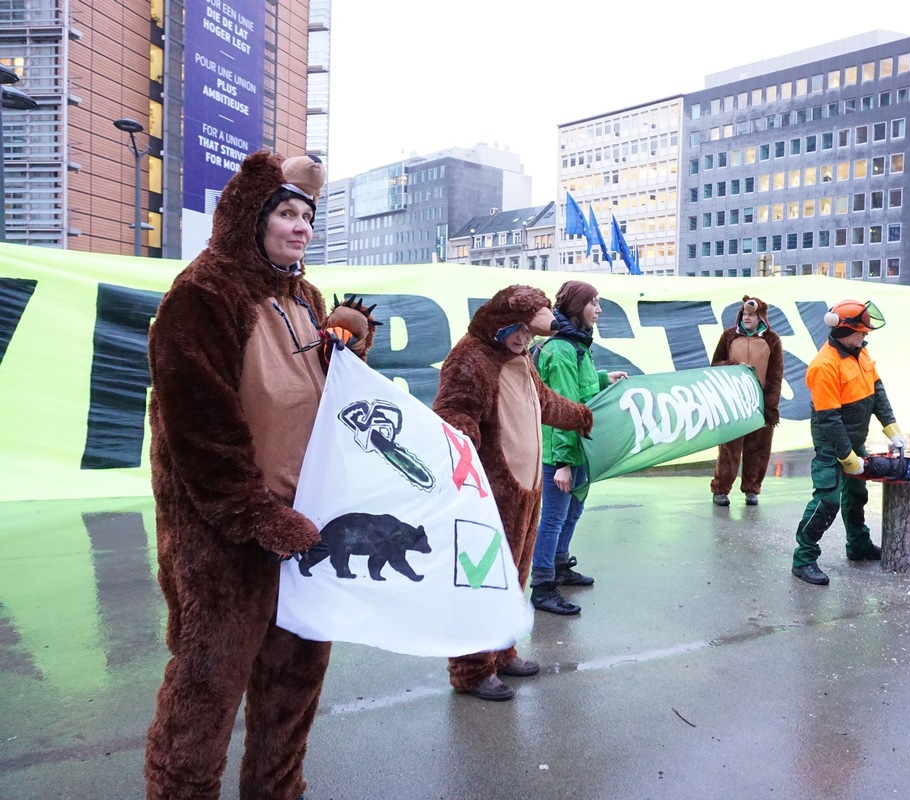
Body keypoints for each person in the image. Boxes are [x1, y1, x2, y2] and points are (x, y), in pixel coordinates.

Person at [144, 151, 379, 799]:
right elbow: (199, 431)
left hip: (308, 523)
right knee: (208, 684)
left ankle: (277, 791)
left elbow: (316, 393)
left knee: (294, 682)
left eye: (307, 214)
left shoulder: (303, 294)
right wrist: (257, 516)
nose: (300, 226)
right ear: (251, 217)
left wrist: (348, 350)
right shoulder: (203, 294)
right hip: (226, 538)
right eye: (285, 212)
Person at [432, 285, 593, 701]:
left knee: (513, 576)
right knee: (481, 579)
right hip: (488, 490)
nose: (524, 339)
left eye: (529, 332)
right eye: (516, 330)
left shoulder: (518, 358)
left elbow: (543, 401)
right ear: (498, 323)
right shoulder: (471, 357)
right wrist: (462, 438)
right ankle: (470, 668)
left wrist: (580, 417)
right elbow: (453, 412)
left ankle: (501, 650)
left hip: (524, 488)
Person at [530, 280, 628, 615]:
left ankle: (559, 566)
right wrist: (563, 463)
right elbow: (562, 408)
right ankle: (542, 586)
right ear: (577, 307)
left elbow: (581, 388)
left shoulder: (578, 346)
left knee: (573, 511)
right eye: (594, 303)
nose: (599, 310)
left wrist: (603, 379)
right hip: (561, 451)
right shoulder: (560, 349)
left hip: (578, 446)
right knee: (554, 517)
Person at [791, 299, 904, 587]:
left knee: (856, 495)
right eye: (861, 332)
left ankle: (858, 545)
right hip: (833, 445)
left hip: (857, 439)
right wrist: (847, 457)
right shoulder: (824, 366)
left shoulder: (861, 353)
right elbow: (829, 420)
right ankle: (804, 558)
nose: (865, 336)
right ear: (845, 330)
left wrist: (892, 429)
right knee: (827, 501)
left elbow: (877, 391)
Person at [709, 295, 784, 507]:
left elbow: (775, 376)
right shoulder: (729, 336)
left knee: (758, 447)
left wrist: (771, 407)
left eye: (751, 314)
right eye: (744, 313)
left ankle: (752, 489)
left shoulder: (772, 340)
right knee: (729, 449)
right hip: (733, 402)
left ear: (760, 317)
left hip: (759, 403)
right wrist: (734, 365)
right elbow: (715, 364)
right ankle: (720, 489)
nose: (746, 317)